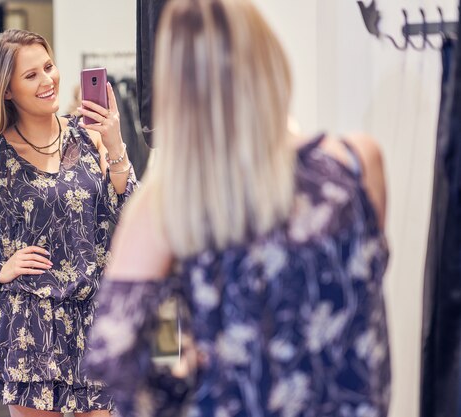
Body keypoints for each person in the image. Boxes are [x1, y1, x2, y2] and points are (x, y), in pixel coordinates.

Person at [83, 0, 391, 416]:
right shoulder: (355, 164)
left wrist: (177, 348)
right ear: (272, 59)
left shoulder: (165, 205)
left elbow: (122, 362)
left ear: (176, 90)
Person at [0, 29, 136, 417]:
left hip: (94, 317)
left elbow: (131, 212)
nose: (48, 81)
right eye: (31, 75)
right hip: (31, 325)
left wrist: (115, 146)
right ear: (7, 90)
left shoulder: (90, 137)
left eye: (48, 67)